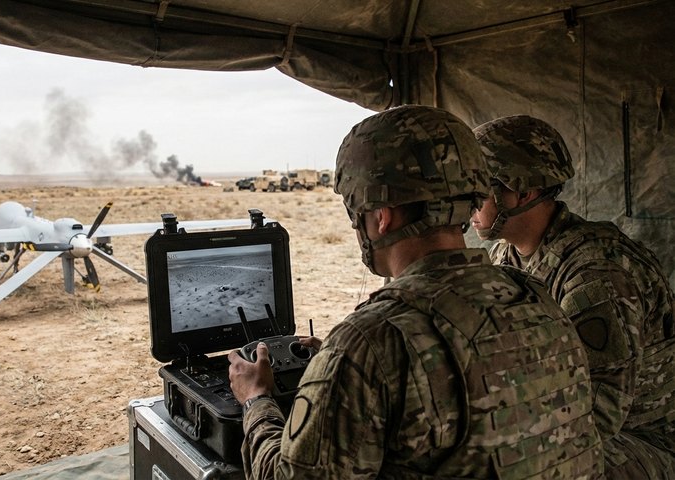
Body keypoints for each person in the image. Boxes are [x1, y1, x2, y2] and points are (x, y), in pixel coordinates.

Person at [228, 105, 603, 479]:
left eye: (356, 214)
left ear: (382, 216)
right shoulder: (536, 297)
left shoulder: (371, 341)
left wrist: (256, 400)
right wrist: (342, 368)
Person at [471, 114, 675, 477]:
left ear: (523, 192)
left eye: (480, 188)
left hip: (643, 441)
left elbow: (598, 412)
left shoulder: (596, 272)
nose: (469, 203)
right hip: (569, 419)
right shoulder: (505, 257)